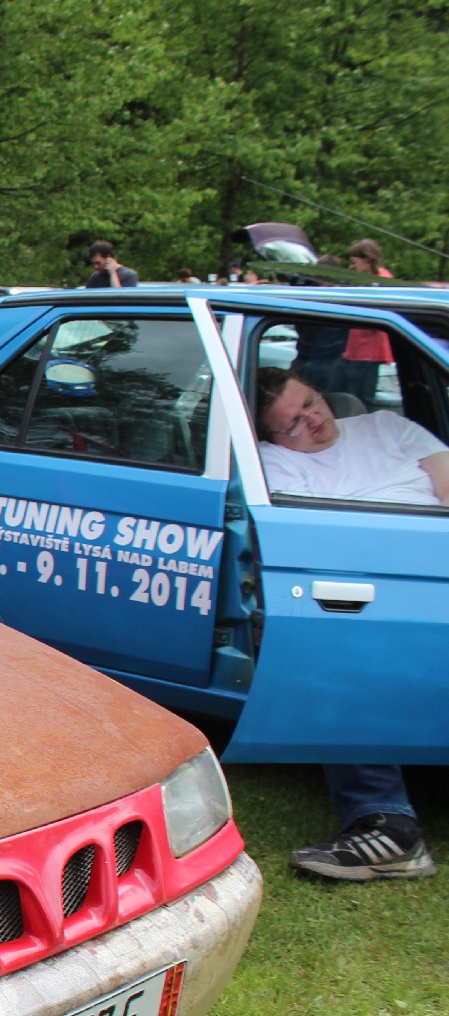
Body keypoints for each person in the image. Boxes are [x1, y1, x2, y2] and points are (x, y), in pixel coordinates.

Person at [254, 366, 445, 881]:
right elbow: (323, 540)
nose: (314, 421)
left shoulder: (387, 426)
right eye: (294, 423)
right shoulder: (275, 464)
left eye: (312, 403)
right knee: (341, 651)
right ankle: (387, 824)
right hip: (376, 582)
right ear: (273, 436)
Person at [340, 240, 396, 404]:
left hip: (368, 354)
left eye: (354, 262)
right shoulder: (366, 281)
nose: (351, 267)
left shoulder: (382, 282)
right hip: (354, 351)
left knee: (360, 401)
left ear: (368, 260)